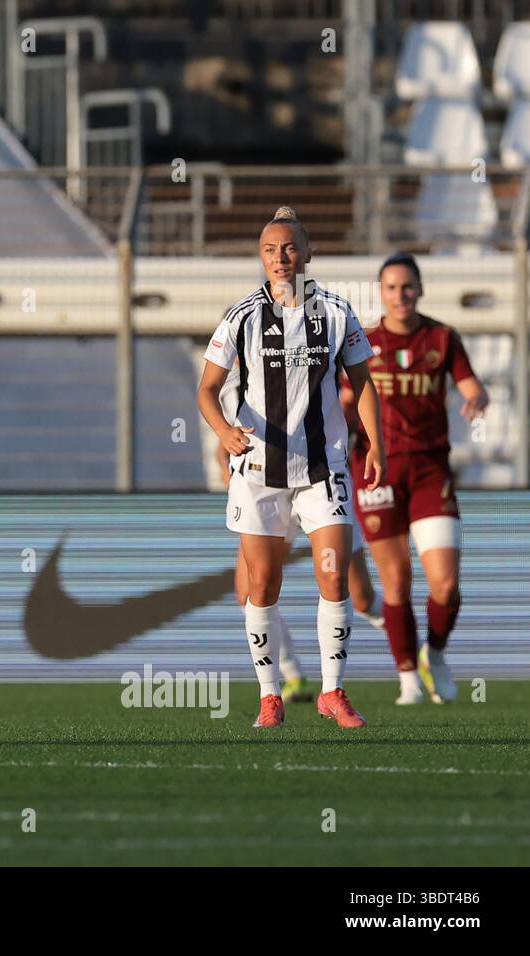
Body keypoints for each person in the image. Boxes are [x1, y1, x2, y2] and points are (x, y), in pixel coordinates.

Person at [197, 206, 384, 730]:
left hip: (323, 470)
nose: (280, 259)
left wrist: (376, 442)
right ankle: (269, 696)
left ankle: (333, 692)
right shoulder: (241, 316)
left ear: (307, 252)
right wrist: (222, 430)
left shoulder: (336, 311)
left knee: (333, 576)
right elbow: (207, 390)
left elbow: (363, 384)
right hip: (258, 470)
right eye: (269, 250)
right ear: (261, 257)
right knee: (263, 583)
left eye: (289, 248)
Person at [342, 252, 488, 705]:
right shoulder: (363, 341)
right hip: (376, 470)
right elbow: (346, 399)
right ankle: (407, 676)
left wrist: (477, 396)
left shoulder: (442, 338)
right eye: (391, 287)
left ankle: (435, 655)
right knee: (397, 580)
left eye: (408, 286)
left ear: (420, 290)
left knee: (445, 582)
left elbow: (470, 384)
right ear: (380, 293)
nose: (400, 295)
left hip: (429, 470)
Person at [215, 363, 385, 705]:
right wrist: (228, 471)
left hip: (318, 483)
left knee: (359, 594)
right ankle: (290, 676)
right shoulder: (233, 382)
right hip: (266, 486)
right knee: (249, 588)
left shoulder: (319, 361)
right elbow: (226, 439)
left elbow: (353, 415)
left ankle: (412, 647)